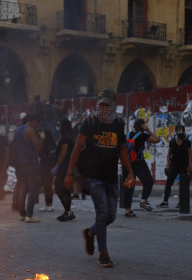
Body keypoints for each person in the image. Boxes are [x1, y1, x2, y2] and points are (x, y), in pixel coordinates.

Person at [64, 88, 135, 268]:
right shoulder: (89, 122)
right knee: (102, 213)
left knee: (110, 216)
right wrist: (69, 172)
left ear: (113, 106)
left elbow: (122, 150)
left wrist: (131, 172)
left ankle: (90, 233)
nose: (103, 108)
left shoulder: (118, 124)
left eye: (107, 105)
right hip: (93, 177)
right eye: (101, 104)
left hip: (111, 177)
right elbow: (77, 147)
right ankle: (103, 254)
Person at [121, 118, 160, 217]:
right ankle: (143, 200)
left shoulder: (128, 134)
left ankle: (128, 210)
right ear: (142, 126)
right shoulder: (143, 135)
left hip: (127, 163)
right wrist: (148, 130)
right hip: (138, 163)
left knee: (129, 185)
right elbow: (157, 139)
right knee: (148, 181)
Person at [16, 113, 43, 223]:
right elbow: (37, 146)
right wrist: (42, 138)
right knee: (33, 188)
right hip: (30, 163)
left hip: (21, 162)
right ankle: (29, 215)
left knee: (23, 188)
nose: (37, 125)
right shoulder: (30, 130)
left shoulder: (18, 130)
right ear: (34, 121)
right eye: (37, 123)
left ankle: (22, 214)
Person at [157, 125, 192, 209]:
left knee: (183, 184)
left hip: (184, 165)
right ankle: (165, 201)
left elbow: (190, 154)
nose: (180, 131)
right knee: (168, 183)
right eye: (178, 130)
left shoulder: (187, 142)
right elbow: (169, 154)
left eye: (181, 130)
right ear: (175, 131)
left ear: (184, 131)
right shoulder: (172, 141)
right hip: (174, 165)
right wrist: (168, 164)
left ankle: (181, 202)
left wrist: (189, 166)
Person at [52, 118, 76, 221]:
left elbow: (63, 153)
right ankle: (68, 211)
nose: (58, 127)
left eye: (59, 125)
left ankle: (68, 211)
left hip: (63, 166)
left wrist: (56, 165)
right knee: (64, 189)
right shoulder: (70, 137)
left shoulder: (65, 139)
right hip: (68, 165)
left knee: (59, 188)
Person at [38, 129, 56, 212]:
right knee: (48, 186)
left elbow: (41, 156)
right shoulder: (53, 145)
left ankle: (48, 204)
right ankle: (49, 204)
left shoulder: (43, 145)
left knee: (46, 187)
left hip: (44, 167)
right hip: (52, 168)